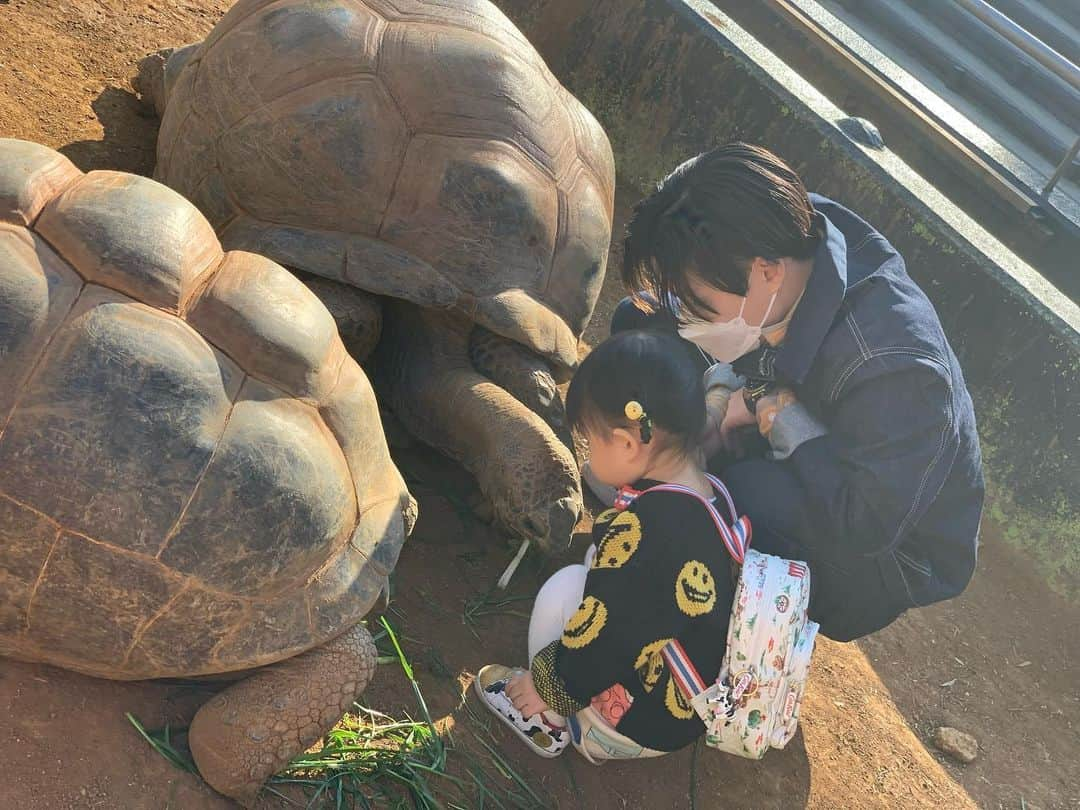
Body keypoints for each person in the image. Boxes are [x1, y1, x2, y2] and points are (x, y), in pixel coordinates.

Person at [605, 142, 984, 642]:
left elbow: (865, 525)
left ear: (767, 273)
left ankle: (690, 552)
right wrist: (720, 401)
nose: (685, 314)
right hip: (801, 416)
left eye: (697, 301)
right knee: (642, 326)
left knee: (742, 493)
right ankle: (671, 482)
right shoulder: (786, 232)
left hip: (878, 550)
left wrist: (770, 408)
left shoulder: (899, 372)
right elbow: (754, 351)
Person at [474, 331, 746, 761]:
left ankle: (557, 718)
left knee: (564, 589)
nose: (588, 452)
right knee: (601, 571)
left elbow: (614, 634)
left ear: (625, 442)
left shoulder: (652, 531)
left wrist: (552, 684)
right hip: (686, 695)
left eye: (589, 440)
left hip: (642, 720)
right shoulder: (710, 494)